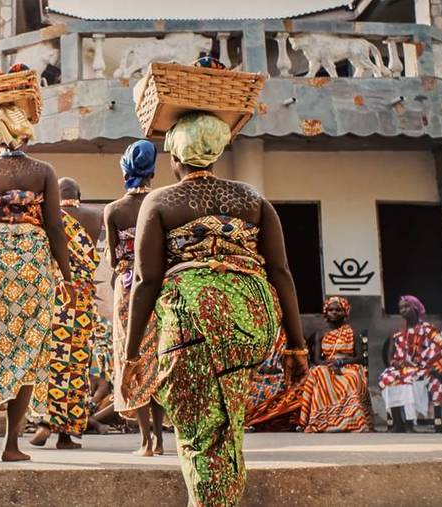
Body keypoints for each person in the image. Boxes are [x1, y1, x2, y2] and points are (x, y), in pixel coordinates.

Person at [120, 111, 305, 506]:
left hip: (192, 324)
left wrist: (132, 352)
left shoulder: (161, 201)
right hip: (250, 324)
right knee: (227, 424)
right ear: (216, 152)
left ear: (176, 157)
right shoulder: (253, 200)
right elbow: (281, 272)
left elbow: (146, 281)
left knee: (201, 432)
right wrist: (296, 345)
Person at [0, 57, 74, 461]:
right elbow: (56, 229)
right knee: (28, 348)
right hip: (34, 265)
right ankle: (11, 445)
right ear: (25, 130)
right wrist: (68, 278)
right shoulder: (44, 171)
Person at [30, 177, 103, 450]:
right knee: (76, 366)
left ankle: (44, 421)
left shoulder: (46, 217)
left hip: (54, 296)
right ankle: (65, 435)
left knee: (49, 363)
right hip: (82, 300)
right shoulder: (95, 217)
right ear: (79, 195)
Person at [106, 139, 165, 456]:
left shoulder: (113, 210)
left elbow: (114, 261)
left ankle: (145, 441)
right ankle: (160, 439)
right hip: (160, 287)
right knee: (156, 359)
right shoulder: (162, 203)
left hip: (128, 290)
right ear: (152, 172)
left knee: (131, 360)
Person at [298, 296, 373, 433]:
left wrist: (340, 362)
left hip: (349, 365)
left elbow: (360, 358)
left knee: (351, 378)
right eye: (331, 309)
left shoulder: (352, 332)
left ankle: (350, 420)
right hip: (327, 365)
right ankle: (322, 420)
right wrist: (330, 365)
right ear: (326, 312)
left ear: (345, 312)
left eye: (338, 310)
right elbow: (316, 360)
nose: (334, 312)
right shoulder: (320, 334)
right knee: (317, 372)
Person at [378, 295, 442, 432]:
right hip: (403, 368)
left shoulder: (428, 329)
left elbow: (438, 350)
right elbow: (391, 353)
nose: (403, 310)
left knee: (406, 379)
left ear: (415, 307)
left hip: (424, 368)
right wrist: (394, 362)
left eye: (406, 306)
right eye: (401, 308)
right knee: (386, 378)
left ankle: (410, 424)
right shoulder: (398, 332)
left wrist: (426, 365)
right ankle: (398, 423)